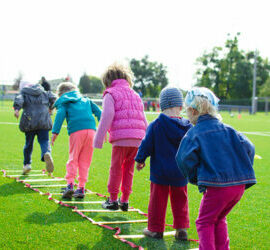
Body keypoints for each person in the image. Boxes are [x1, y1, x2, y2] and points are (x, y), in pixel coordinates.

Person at [176, 87, 256, 250]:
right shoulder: (229, 129)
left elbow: (183, 158)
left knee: (204, 221)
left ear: (192, 110)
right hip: (238, 187)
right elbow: (250, 147)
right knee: (219, 218)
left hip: (217, 187)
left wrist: (195, 177)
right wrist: (241, 170)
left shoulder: (194, 133)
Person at [135, 87, 192, 240]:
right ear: (180, 107)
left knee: (157, 201)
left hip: (160, 172)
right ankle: (181, 229)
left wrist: (140, 159)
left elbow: (146, 144)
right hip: (180, 172)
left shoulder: (155, 125)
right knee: (180, 200)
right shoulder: (188, 126)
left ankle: (155, 229)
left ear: (160, 106)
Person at [94, 63, 148, 211]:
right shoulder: (136, 95)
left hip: (121, 139)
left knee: (116, 168)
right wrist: (148, 142)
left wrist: (98, 139)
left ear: (107, 81)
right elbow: (144, 119)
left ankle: (112, 200)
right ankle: (124, 200)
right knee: (128, 170)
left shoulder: (110, 94)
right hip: (138, 139)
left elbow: (107, 116)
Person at [51, 82, 101, 199]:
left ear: (61, 94)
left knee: (73, 158)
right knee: (85, 161)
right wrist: (104, 130)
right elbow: (99, 112)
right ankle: (81, 188)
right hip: (91, 131)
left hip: (77, 131)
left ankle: (70, 185)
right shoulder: (86, 100)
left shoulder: (65, 102)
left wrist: (55, 133)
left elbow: (60, 115)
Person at [13, 83, 56, 175]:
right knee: (44, 140)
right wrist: (51, 108)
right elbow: (53, 97)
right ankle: (46, 153)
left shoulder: (24, 93)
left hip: (29, 122)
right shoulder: (44, 92)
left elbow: (19, 99)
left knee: (28, 144)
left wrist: (17, 110)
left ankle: (27, 164)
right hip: (44, 120)